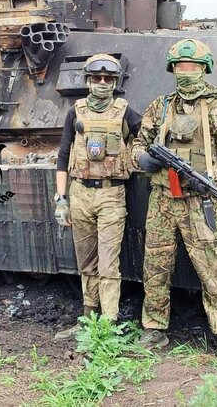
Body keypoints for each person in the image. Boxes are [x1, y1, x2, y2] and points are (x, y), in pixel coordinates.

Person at [131, 38, 217, 356]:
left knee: (215, 270)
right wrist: (143, 160)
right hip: (163, 200)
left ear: (204, 69)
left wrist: (211, 177)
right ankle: (154, 330)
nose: (186, 72)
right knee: (155, 267)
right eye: (180, 66)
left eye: (192, 66)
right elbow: (138, 144)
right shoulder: (161, 106)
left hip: (201, 201)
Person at [53, 53, 141, 340]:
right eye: (96, 78)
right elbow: (64, 155)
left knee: (108, 264)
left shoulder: (125, 112)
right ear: (88, 81)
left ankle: (108, 323)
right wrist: (61, 199)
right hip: (79, 194)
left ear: (115, 82)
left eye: (107, 79)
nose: (102, 83)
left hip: (110, 194)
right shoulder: (75, 111)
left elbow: (145, 137)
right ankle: (88, 319)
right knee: (86, 261)